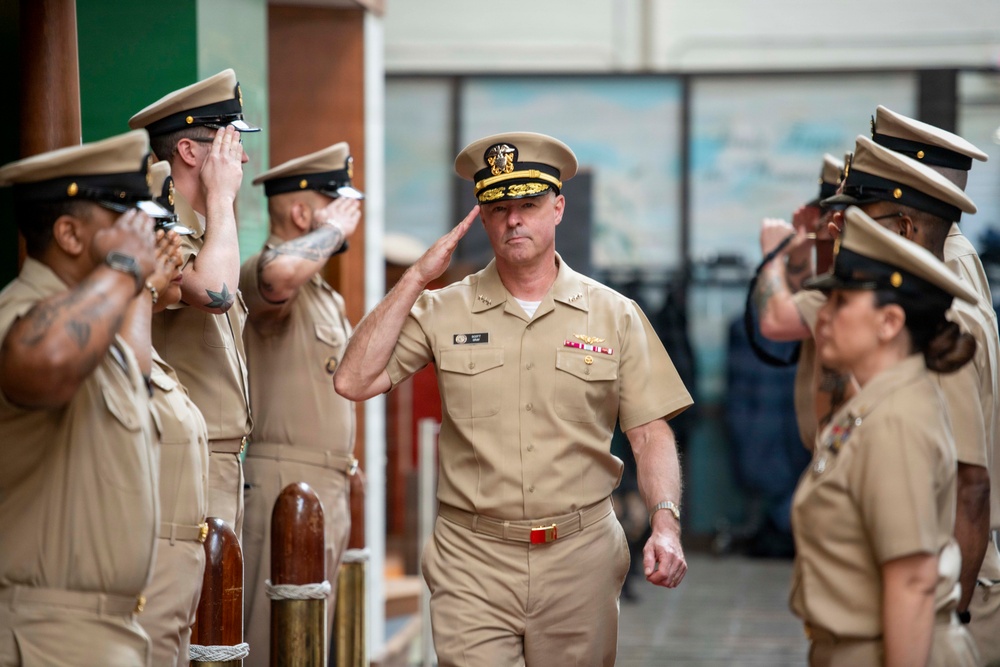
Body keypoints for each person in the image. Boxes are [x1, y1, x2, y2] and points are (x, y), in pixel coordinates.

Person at [334, 132, 692, 666]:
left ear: (558, 208)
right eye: (499, 207)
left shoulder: (614, 314)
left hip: (580, 557)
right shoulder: (443, 310)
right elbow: (353, 381)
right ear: (483, 216)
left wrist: (665, 520)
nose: (513, 220)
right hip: (472, 558)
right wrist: (416, 279)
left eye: (528, 204)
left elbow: (649, 431)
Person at [761, 134, 998, 640]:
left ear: (906, 226)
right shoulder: (931, 293)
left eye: (860, 215)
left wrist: (951, 617)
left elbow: (969, 488)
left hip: (934, 604)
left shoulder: (934, 321)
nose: (840, 227)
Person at [0, 130, 165, 665]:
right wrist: (123, 270)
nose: (144, 234)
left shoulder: (103, 340)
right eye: (126, 218)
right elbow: (46, 363)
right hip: (46, 635)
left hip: (111, 630)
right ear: (70, 234)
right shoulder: (20, 318)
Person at [791, 206, 980, 666]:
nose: (825, 317)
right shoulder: (874, 402)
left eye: (841, 303)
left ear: (890, 322)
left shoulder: (896, 420)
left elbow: (912, 582)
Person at [238, 142, 363, 667]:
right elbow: (277, 277)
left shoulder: (325, 296)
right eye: (334, 204)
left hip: (325, 487)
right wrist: (331, 231)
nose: (347, 216)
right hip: (281, 485)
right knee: (273, 642)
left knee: (310, 642)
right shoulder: (260, 272)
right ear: (301, 212)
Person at [129, 68, 257, 540]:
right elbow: (214, 293)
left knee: (215, 610)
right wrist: (222, 199)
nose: (241, 157)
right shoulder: (160, 224)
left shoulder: (202, 231)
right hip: (182, 454)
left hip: (215, 457)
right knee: (186, 610)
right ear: (189, 151)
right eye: (229, 144)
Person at [136, 161, 212, 667]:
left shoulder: (148, 345)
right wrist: (138, 288)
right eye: (165, 237)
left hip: (176, 581)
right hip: (149, 583)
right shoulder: (119, 345)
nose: (178, 257)